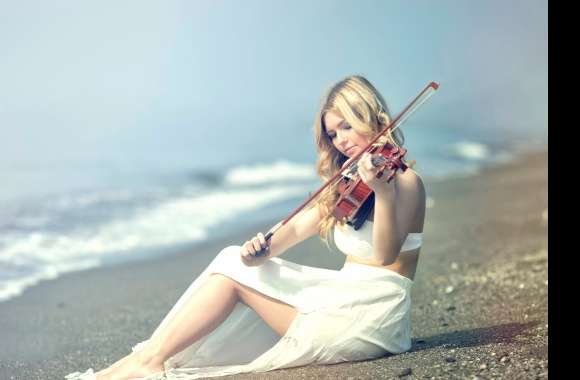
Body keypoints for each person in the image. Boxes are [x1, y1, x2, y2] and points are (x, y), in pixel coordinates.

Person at [65, 75, 426, 380]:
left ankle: (146, 362)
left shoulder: (405, 182)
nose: (341, 141)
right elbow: (299, 226)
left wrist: (383, 193)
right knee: (233, 259)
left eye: (347, 126)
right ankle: (145, 360)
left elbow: (385, 254)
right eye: (332, 134)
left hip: (372, 317)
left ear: (373, 118)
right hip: (342, 300)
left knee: (231, 274)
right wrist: (261, 252)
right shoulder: (348, 181)